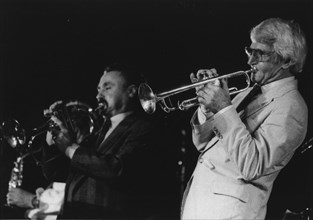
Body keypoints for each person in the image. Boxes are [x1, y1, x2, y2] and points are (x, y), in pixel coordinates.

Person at [181, 17, 308, 219]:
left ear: (287, 60)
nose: (250, 61)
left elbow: (253, 166)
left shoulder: (292, 107)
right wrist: (208, 107)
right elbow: (201, 143)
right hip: (202, 204)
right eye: (250, 52)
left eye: (260, 54)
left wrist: (223, 108)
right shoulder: (249, 91)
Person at [47, 63, 179, 219]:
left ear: (130, 91)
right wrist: (53, 140)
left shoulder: (143, 128)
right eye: (98, 89)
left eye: (107, 88)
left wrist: (69, 147)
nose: (98, 96)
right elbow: (56, 174)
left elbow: (117, 170)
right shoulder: (96, 132)